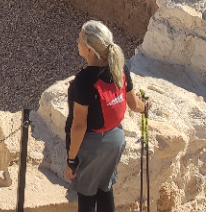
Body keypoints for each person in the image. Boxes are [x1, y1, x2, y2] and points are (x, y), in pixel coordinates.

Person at [64, 20, 149, 212]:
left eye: (79, 40)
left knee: (86, 195)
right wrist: (147, 107)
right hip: (116, 139)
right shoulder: (120, 69)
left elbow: (79, 125)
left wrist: (71, 160)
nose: (77, 42)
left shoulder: (84, 80)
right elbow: (135, 105)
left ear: (89, 49)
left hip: (93, 146)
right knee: (105, 187)